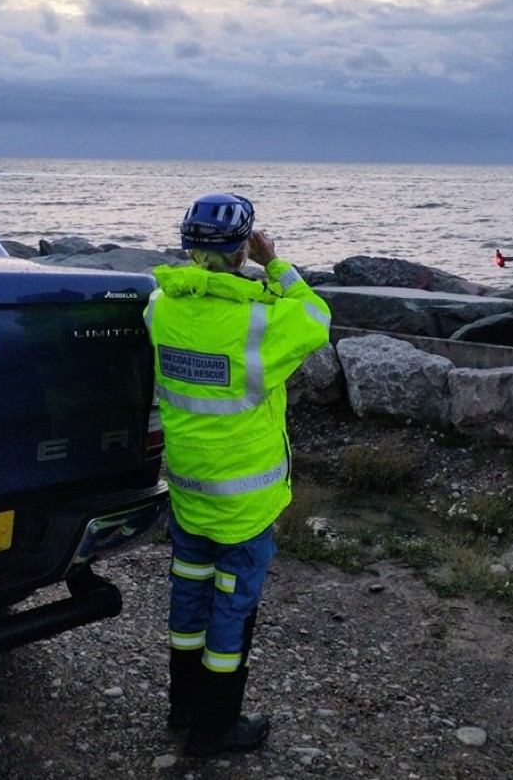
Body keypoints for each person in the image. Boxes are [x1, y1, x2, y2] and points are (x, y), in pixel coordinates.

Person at [143, 192, 331, 757]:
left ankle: (183, 706)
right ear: (243, 248)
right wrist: (275, 264)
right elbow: (317, 316)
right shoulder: (260, 321)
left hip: (188, 487)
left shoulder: (160, 307)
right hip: (244, 503)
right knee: (231, 607)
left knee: (189, 595)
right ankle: (215, 726)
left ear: (187, 246)